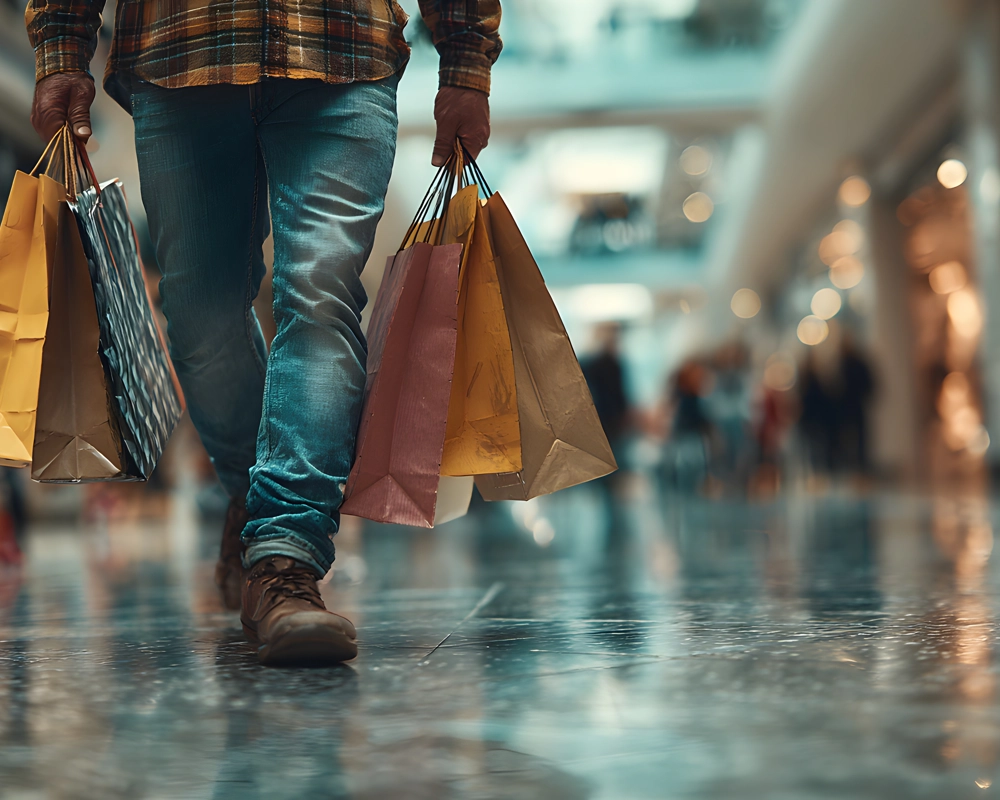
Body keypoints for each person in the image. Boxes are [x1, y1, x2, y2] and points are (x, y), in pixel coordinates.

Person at [26, 0, 501, 666]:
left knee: (320, 290)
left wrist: (466, 59)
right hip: (180, 49)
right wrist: (61, 48)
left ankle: (285, 560)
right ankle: (260, 516)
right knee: (199, 312)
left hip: (342, 48)